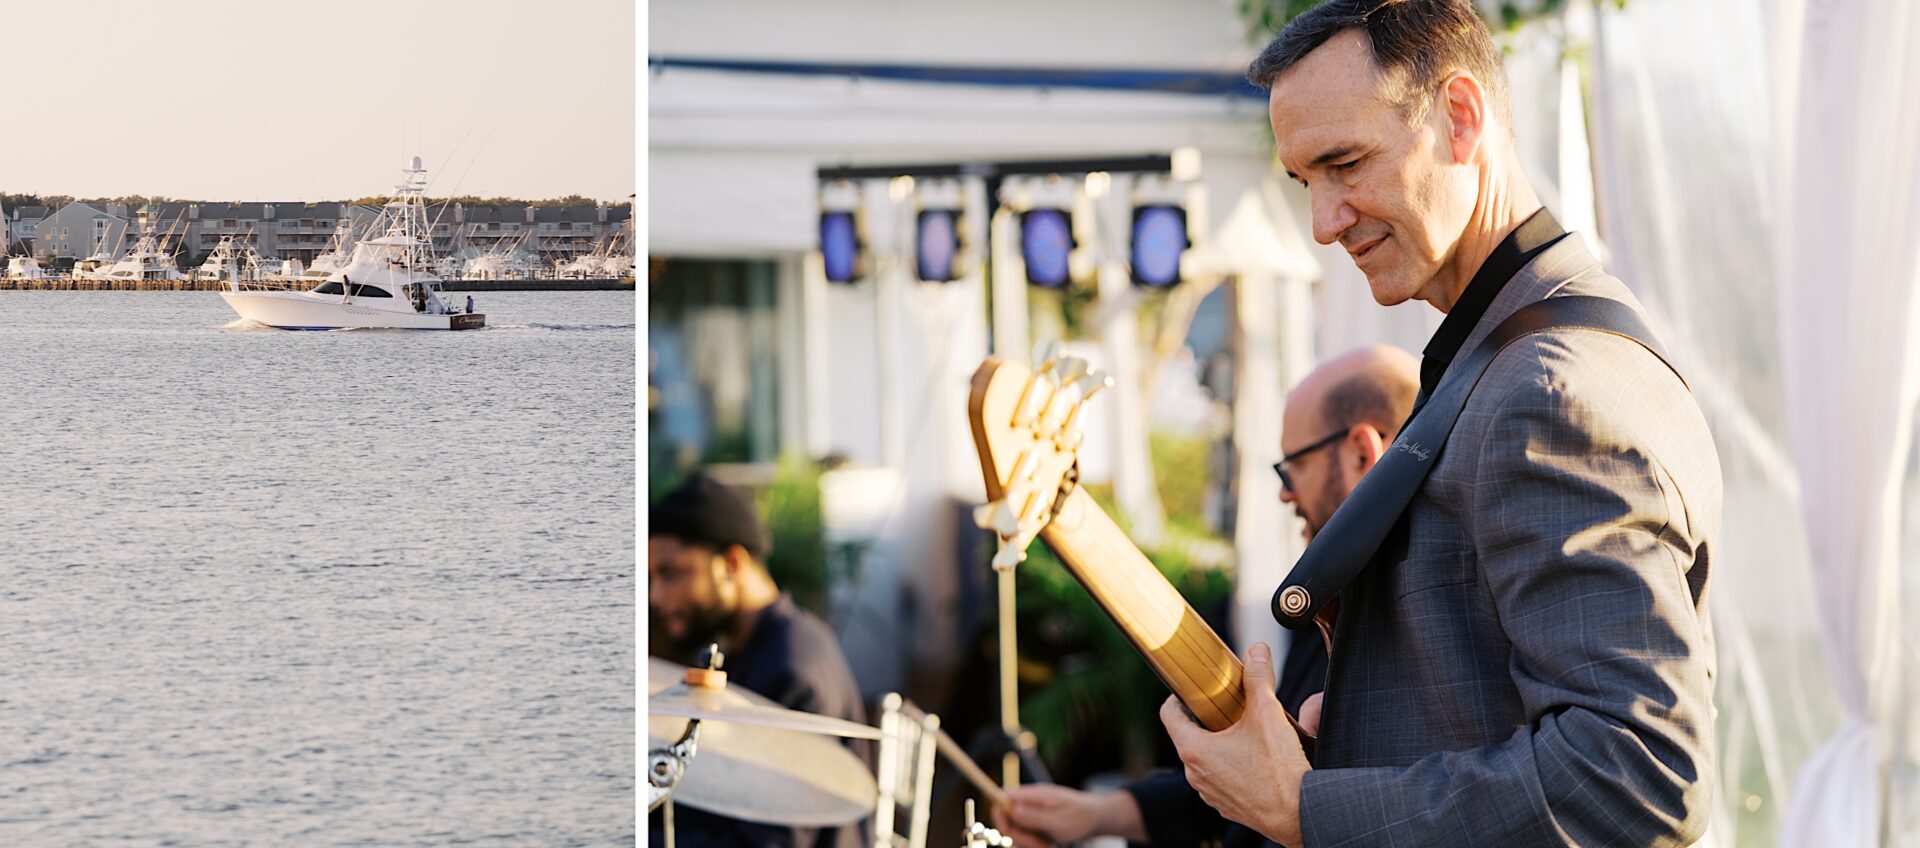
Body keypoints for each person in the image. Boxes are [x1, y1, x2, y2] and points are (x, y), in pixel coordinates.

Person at [1154, 3, 1724, 847]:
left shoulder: (1548, 385)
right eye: (1305, 180)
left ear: (1461, 117)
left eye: (1346, 163)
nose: (1325, 222)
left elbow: (1634, 772)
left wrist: (1305, 811)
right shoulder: (1515, 349)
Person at [991, 346, 1419, 848]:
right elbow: (1262, 780)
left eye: (1291, 469)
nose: (1284, 494)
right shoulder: (1334, 600)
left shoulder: (1422, 614)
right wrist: (1099, 814)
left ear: (1361, 453)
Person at [647, 474, 868, 848]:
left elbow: (775, 839)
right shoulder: (759, 644)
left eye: (671, 573)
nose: (657, 596)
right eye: (651, 577)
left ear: (732, 564)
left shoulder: (792, 669)